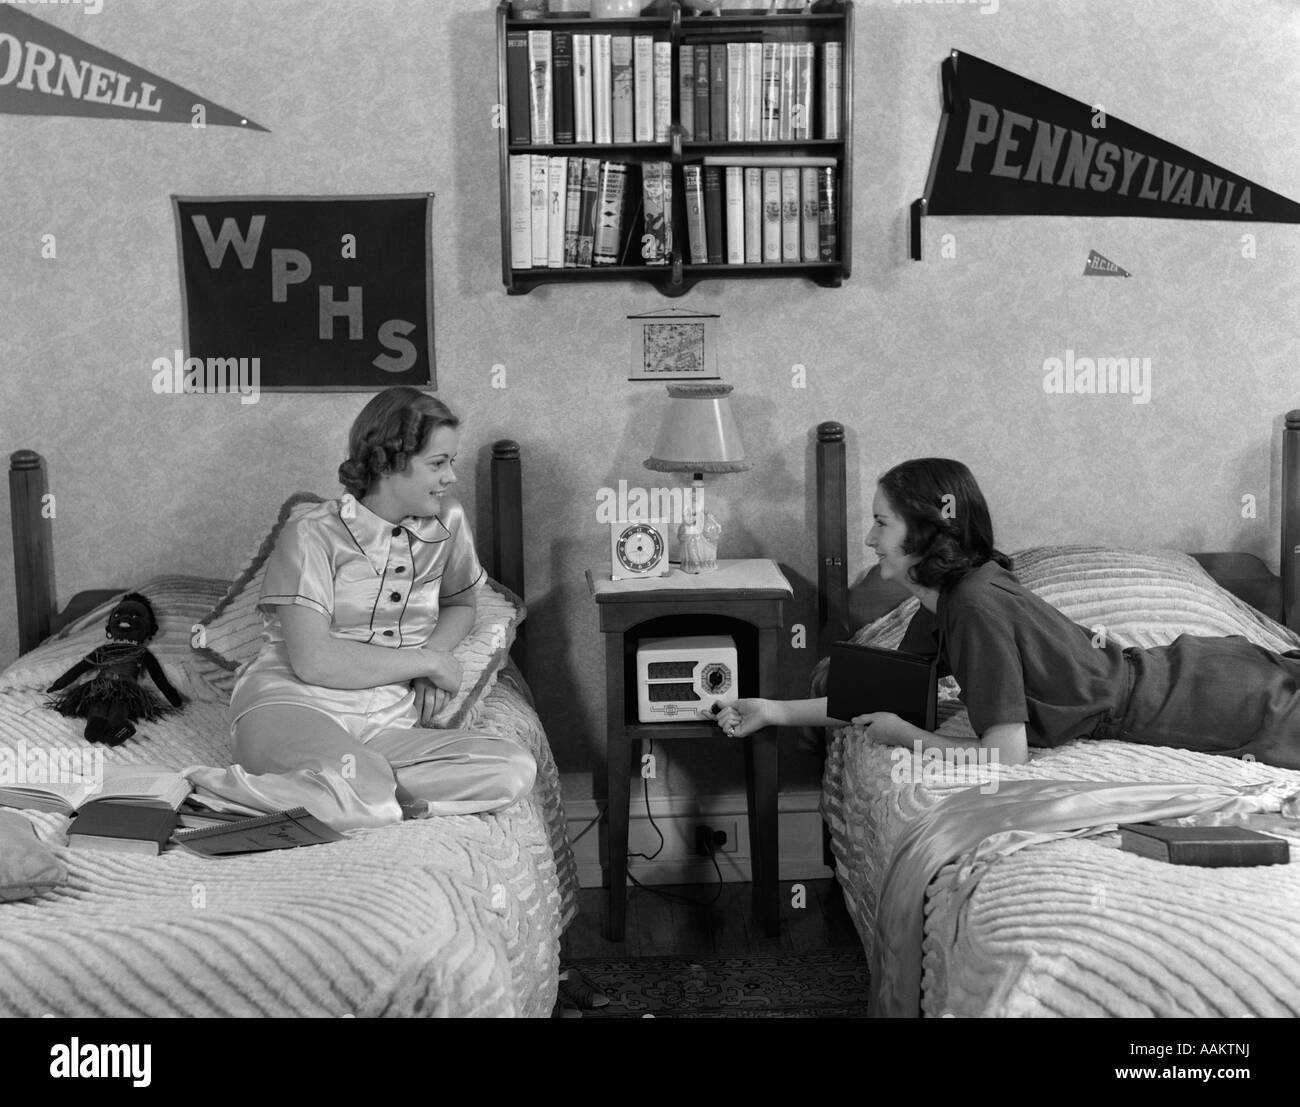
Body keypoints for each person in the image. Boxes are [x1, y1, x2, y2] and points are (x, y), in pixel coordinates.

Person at [716, 458, 1300, 771]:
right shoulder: (942, 596)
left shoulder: (973, 606)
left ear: (924, 532)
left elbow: (1006, 755)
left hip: (1211, 699)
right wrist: (771, 710)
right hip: (1204, 674)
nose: (868, 537)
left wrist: (912, 739)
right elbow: (884, 694)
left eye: (882, 523)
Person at [187, 387, 536, 829]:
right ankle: (192, 792)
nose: (450, 477)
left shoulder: (447, 519)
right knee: (363, 787)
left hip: (384, 720)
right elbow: (315, 663)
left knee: (512, 768)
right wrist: (427, 661)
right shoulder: (311, 532)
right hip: (291, 705)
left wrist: (434, 663)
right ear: (388, 463)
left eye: (452, 462)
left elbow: (460, 603)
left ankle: (356, 795)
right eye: (437, 463)